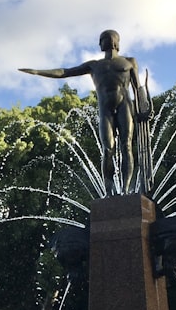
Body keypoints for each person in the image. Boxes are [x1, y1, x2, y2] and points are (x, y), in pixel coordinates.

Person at [20, 29, 150, 195]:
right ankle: (109, 192)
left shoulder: (129, 61)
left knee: (127, 146)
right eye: (102, 39)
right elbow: (65, 72)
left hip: (125, 106)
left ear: (116, 42)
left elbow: (137, 87)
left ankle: (125, 190)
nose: (103, 42)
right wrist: (38, 71)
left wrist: (143, 107)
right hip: (105, 110)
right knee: (108, 149)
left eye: (105, 39)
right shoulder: (94, 65)